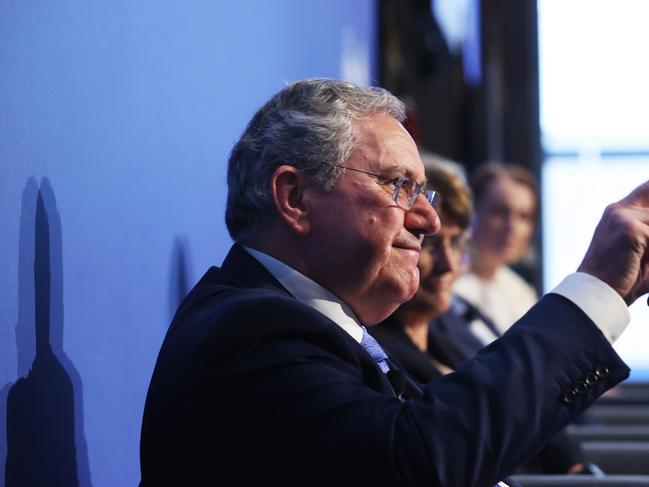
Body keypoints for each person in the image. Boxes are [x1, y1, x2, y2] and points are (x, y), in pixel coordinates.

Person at [140, 78, 648, 487]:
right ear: (294, 198)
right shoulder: (249, 330)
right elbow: (416, 461)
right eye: (400, 186)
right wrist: (597, 286)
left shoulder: (324, 328)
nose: (428, 219)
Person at [370, 156, 587, 475]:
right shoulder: (375, 344)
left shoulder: (456, 324)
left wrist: (576, 466)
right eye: (430, 244)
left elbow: (520, 397)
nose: (448, 265)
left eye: (456, 244)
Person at [454, 163, 539, 334]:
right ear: (473, 213)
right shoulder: (447, 285)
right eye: (501, 212)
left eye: (524, 216)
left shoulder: (521, 291)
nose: (512, 227)